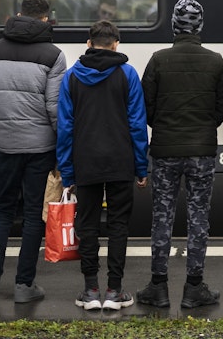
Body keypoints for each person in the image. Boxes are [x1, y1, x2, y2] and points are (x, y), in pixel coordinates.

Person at [0, 0, 66, 304]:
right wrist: (59, 142)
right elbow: (55, 108)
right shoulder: (54, 54)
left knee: (2, 210)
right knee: (33, 215)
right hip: (41, 147)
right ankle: (24, 286)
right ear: (45, 20)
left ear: (17, 15)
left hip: (7, 144)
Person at [136, 0, 223, 309]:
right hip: (202, 150)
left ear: (174, 26)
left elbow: (146, 110)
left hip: (164, 150)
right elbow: (220, 111)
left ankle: (158, 287)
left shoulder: (158, 60)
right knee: (198, 216)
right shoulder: (216, 62)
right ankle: (194, 287)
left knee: (162, 216)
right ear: (199, 26)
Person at [57, 20, 148, 311]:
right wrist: (141, 167)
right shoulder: (128, 74)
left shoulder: (71, 77)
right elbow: (137, 123)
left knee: (87, 224)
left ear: (89, 43)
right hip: (121, 161)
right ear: (116, 44)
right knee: (119, 225)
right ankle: (115, 291)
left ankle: (90, 290)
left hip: (86, 162)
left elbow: (65, 127)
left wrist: (67, 170)